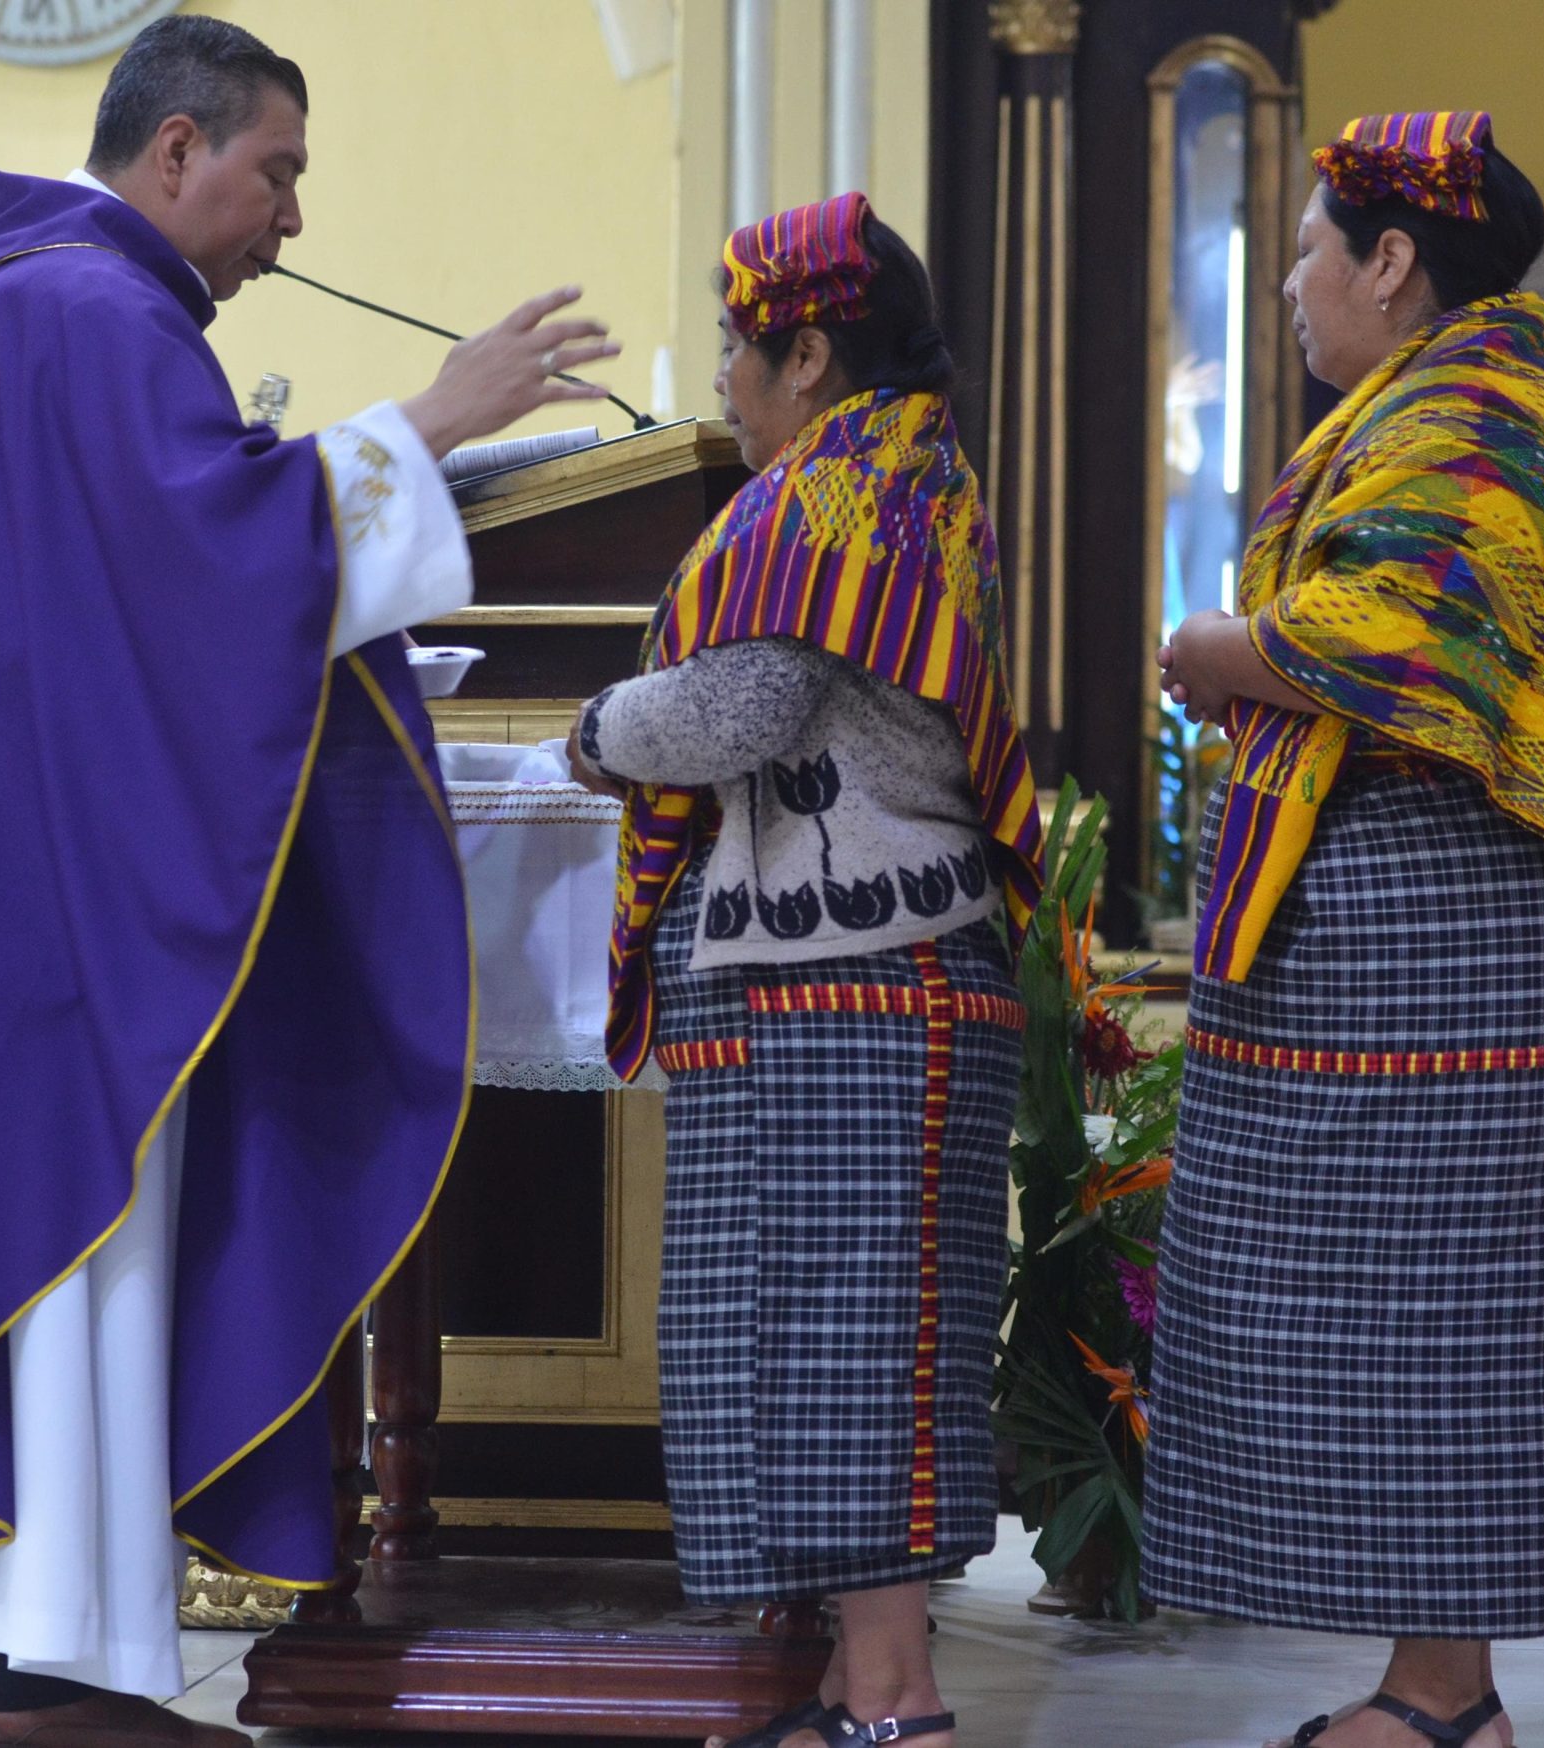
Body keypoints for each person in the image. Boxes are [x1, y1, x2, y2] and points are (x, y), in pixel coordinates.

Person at [0, 16, 620, 1748]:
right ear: (173, 154)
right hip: (58, 938)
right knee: (70, 1263)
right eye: (275, 170)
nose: (289, 215)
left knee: (33, 1276)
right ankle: (43, 1683)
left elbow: (153, 585)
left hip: (21, 901)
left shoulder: (38, 303)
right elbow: (208, 571)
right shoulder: (84, 315)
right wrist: (428, 424)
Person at [1141, 113, 1544, 1748]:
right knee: (1376, 1314)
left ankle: (1446, 1699)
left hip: (1449, 927)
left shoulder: (1485, 411)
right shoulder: (1450, 404)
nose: (1293, 283)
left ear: (1393, 259)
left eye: (1308, 248)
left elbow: (1388, 633)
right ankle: (1433, 1689)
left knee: (1442, 1319)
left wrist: (1211, 642)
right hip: (1394, 931)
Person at [565, 191, 1041, 1748]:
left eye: (735, 349)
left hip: (856, 982)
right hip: (838, 977)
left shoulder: (843, 494)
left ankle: (894, 1702)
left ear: (812, 352)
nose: (719, 382)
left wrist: (595, 729)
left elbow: (740, 707)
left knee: (846, 1343)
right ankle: (852, 1680)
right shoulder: (885, 474)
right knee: (802, 1336)